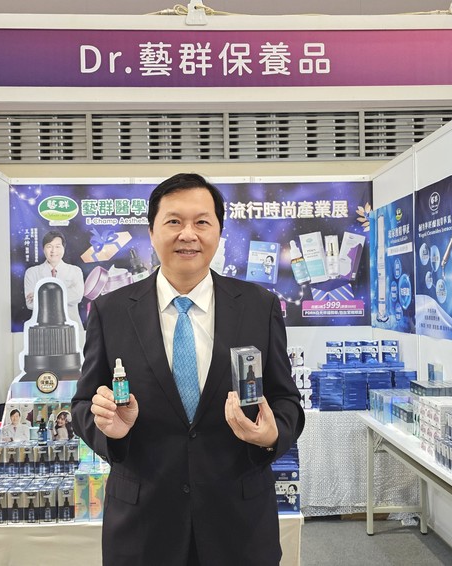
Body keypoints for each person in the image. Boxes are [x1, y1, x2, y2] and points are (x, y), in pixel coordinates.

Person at [72, 173, 304, 566]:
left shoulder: (258, 305)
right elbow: (83, 404)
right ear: (151, 231)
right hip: (144, 526)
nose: (188, 234)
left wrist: (271, 434)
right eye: (174, 221)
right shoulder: (111, 311)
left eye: (201, 222)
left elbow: (286, 400)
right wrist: (110, 429)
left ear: (219, 232)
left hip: (238, 524)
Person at [24, 230, 86, 346]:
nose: (53, 251)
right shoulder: (32, 272)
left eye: (57, 246)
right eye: (49, 246)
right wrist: (64, 294)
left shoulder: (75, 271)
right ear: (43, 249)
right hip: (44, 332)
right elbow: (30, 304)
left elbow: (77, 296)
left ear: (63, 248)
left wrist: (41, 296)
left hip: (71, 329)